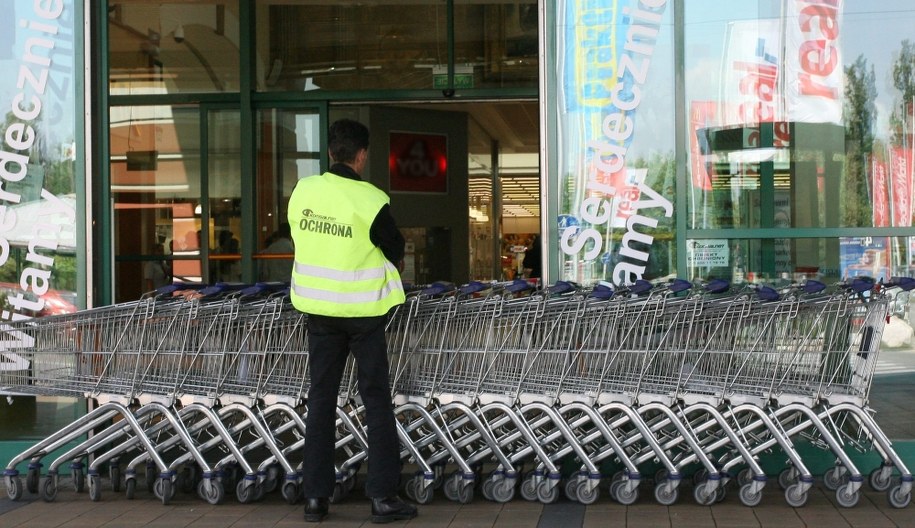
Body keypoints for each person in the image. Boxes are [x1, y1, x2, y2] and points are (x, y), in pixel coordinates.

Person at [288, 118, 417, 524]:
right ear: (361, 156)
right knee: (375, 399)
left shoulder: (303, 191)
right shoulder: (370, 199)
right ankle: (382, 497)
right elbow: (394, 244)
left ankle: (315, 498)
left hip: (319, 311)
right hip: (363, 313)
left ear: (330, 153)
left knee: (321, 400)